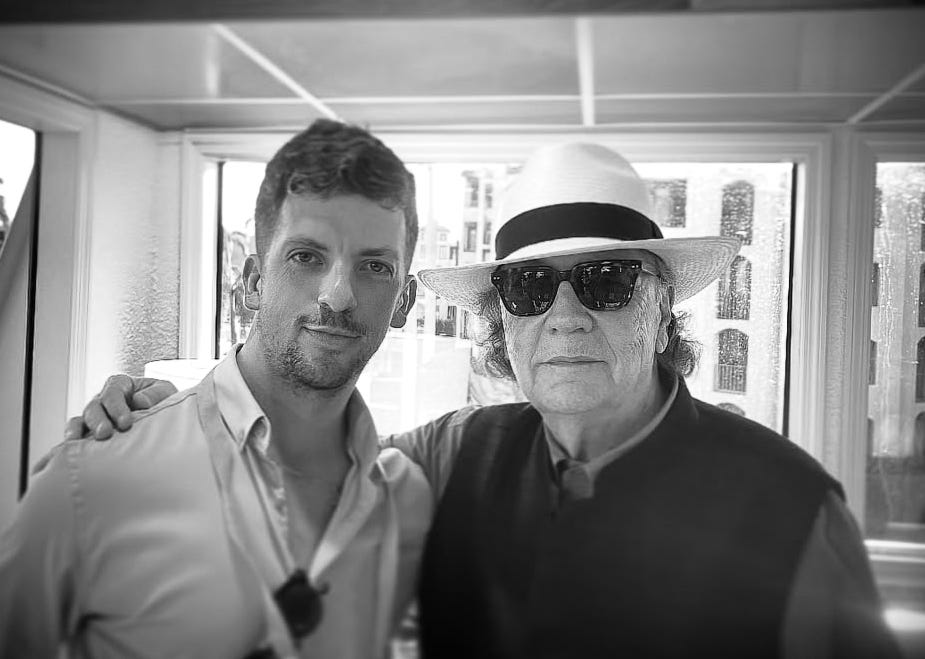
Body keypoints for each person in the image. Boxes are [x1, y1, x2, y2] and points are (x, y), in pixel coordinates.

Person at [65, 143, 899, 658]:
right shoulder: (452, 454)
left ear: (661, 308)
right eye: (530, 286)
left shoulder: (790, 508)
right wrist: (166, 420)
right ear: (504, 323)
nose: (564, 316)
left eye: (606, 280)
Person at [0, 119, 432, 659]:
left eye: (374, 266)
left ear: (403, 301)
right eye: (306, 257)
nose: (338, 296)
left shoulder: (406, 498)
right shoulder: (92, 479)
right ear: (252, 281)